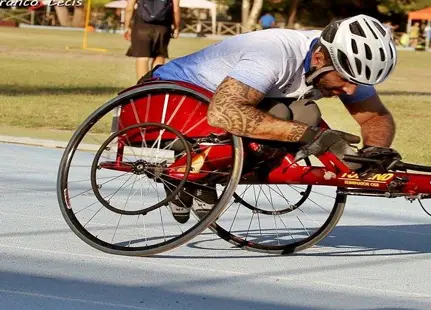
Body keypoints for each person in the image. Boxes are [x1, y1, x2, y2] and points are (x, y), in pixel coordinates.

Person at [141, 14, 399, 222]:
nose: (351, 90)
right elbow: (224, 112)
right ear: (319, 59)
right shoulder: (275, 53)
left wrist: (376, 149)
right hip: (164, 102)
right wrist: (308, 135)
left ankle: (208, 172)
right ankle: (195, 171)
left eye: (358, 83)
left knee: (305, 112)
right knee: (288, 116)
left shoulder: (341, 64)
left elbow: (374, 117)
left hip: (209, 109)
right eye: (345, 80)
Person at [124, 0, 181, 80]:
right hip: (163, 27)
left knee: (142, 58)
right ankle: (155, 86)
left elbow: (129, 8)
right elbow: (176, 9)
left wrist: (127, 26)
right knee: (159, 56)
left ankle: (142, 87)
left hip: (141, 26)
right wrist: (176, 27)